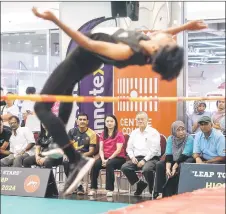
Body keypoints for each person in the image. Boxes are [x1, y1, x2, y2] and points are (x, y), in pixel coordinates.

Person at [31, 7, 207, 196]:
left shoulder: (124, 51)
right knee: (67, 90)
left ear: (158, 50)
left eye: (169, 43)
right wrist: (187, 26)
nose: (167, 37)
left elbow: (84, 41)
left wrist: (54, 20)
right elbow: (164, 33)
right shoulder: (155, 43)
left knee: (40, 107)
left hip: (83, 56)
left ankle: (75, 159)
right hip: (93, 57)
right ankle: (58, 144)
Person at [121, 112, 161, 196]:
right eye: (138, 119)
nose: (140, 121)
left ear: (147, 120)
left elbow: (155, 149)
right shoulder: (134, 133)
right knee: (125, 167)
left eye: (142, 119)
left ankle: (153, 190)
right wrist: (132, 157)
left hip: (151, 158)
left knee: (147, 169)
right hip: (137, 158)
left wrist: (144, 160)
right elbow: (129, 148)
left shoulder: (153, 132)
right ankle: (140, 184)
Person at [154, 121, 194, 199]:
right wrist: (168, 168)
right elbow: (168, 154)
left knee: (180, 166)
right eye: (178, 130)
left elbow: (185, 154)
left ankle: (176, 191)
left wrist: (174, 167)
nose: (181, 132)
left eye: (183, 129)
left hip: (185, 159)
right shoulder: (170, 138)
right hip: (173, 159)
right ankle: (160, 192)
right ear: (174, 131)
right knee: (159, 165)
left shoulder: (189, 138)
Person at [88, 115, 126, 197]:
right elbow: (101, 149)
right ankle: (93, 188)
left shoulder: (119, 134)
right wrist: (102, 159)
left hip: (118, 158)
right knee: (95, 164)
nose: (109, 123)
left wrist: (108, 159)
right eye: (108, 121)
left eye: (111, 121)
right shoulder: (103, 134)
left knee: (109, 164)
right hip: (104, 157)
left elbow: (118, 150)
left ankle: (110, 190)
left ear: (115, 123)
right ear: (105, 123)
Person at [63, 113, 97, 195]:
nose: (82, 121)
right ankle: (78, 185)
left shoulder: (92, 133)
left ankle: (76, 186)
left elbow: (91, 151)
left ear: (87, 121)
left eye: (84, 120)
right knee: (65, 162)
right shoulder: (71, 131)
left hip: (86, 155)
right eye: (80, 119)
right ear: (77, 121)